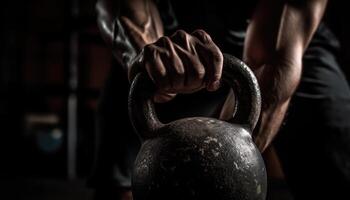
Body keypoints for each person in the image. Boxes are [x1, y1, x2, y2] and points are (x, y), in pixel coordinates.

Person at [88, 0, 350, 199]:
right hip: (173, 41)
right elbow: (122, 6)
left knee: (331, 135)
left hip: (285, 41)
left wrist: (225, 164)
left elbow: (270, 58)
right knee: (120, 172)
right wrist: (147, 59)